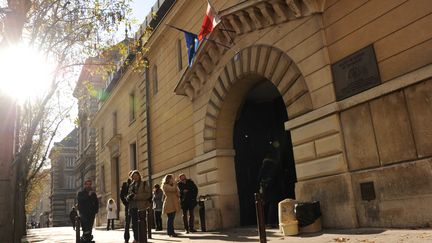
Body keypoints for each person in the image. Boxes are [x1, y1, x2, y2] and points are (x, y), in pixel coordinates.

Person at [258, 149, 284, 228]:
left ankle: (268, 222)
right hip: (274, 188)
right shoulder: (273, 165)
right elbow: (276, 177)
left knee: (267, 205)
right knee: (274, 205)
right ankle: (272, 222)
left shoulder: (264, 166)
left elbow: (259, 177)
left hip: (266, 188)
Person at [127, 170, 151, 243]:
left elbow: (148, 194)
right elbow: (128, 195)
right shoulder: (131, 185)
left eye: (136, 176)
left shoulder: (144, 183)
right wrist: (128, 197)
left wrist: (137, 196)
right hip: (132, 207)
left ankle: (143, 238)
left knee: (142, 223)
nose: (135, 177)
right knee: (134, 224)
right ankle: (136, 238)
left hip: (141, 206)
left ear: (139, 176)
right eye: (133, 176)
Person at [120, 170, 133, 243]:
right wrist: (126, 203)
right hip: (128, 206)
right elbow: (121, 195)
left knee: (136, 223)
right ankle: (126, 238)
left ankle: (136, 238)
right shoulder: (125, 184)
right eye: (132, 175)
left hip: (136, 206)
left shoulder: (138, 184)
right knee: (127, 223)